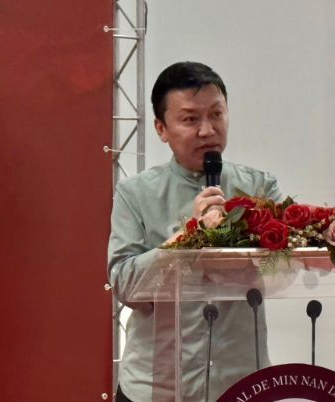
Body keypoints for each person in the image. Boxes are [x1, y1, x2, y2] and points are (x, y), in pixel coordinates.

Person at [108, 61, 282, 401]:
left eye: (216, 114)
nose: (207, 130)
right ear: (161, 128)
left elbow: (283, 273)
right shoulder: (135, 194)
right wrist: (189, 235)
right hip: (157, 388)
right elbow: (125, 286)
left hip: (241, 385)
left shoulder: (260, 188)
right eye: (190, 119)